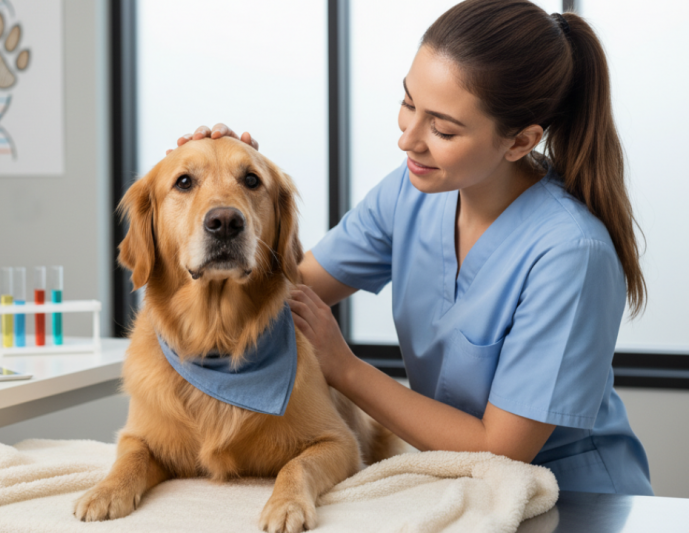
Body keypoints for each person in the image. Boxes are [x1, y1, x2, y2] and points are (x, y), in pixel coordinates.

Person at [175, 0, 653, 495]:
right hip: (461, 488)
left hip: (570, 499)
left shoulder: (571, 252)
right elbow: (288, 287)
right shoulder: (410, 194)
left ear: (520, 141)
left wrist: (344, 368)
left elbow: (503, 449)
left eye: (442, 128)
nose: (408, 139)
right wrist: (231, 185)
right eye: (408, 103)